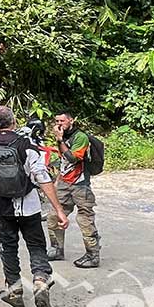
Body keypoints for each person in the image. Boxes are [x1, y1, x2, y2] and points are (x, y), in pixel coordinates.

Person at [0, 105, 69, 307]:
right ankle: (41, 280)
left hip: (2, 206)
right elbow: (42, 177)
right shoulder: (26, 144)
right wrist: (59, 209)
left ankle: (14, 290)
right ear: (14, 122)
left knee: (8, 247)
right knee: (35, 244)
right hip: (30, 205)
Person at [47, 112, 100, 268]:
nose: (59, 124)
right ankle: (57, 249)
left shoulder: (80, 137)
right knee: (53, 216)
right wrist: (57, 180)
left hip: (80, 184)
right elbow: (63, 160)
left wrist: (59, 139)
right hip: (64, 183)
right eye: (56, 121)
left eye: (62, 120)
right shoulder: (64, 136)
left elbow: (72, 158)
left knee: (85, 219)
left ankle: (93, 255)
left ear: (71, 120)